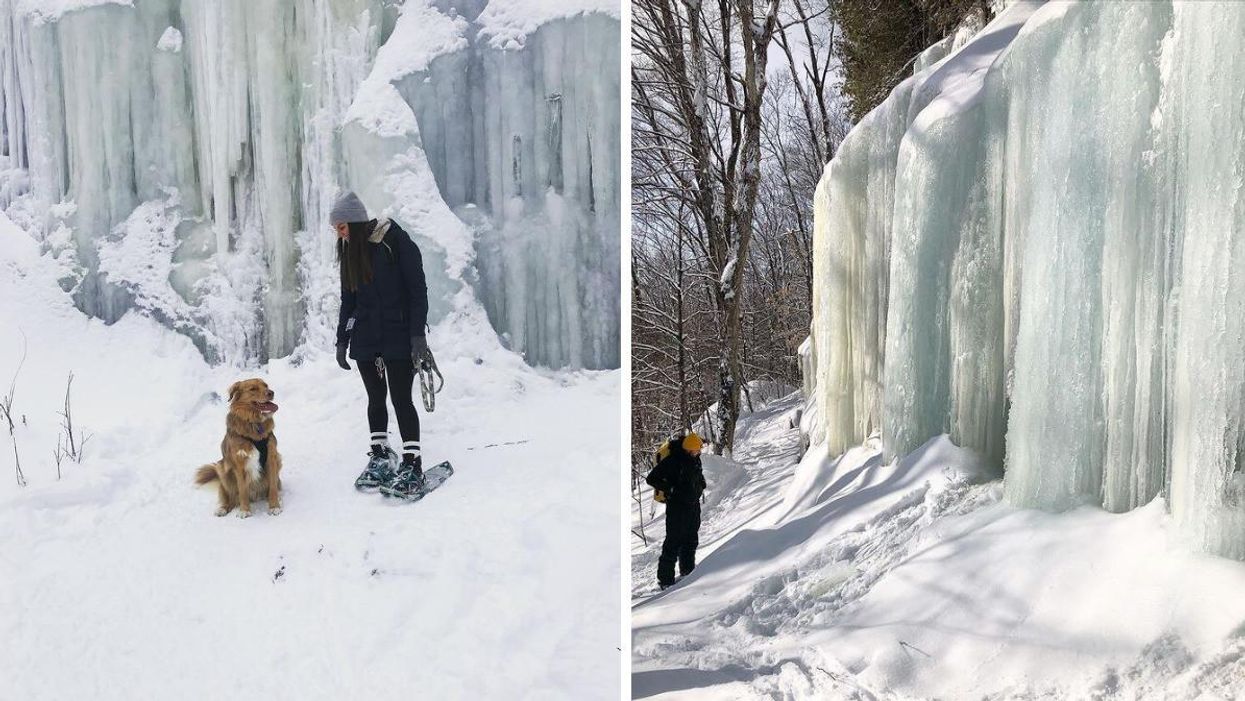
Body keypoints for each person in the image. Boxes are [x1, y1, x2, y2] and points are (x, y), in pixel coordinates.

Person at [332, 191, 431, 499]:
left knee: (402, 399)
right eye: (336, 228)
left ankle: (412, 463)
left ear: (358, 222)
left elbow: (418, 291)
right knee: (375, 398)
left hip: (399, 336)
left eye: (343, 226)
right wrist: (342, 338)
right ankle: (380, 454)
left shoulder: (396, 242)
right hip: (366, 339)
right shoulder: (350, 252)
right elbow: (349, 299)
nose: (339, 233)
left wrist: (418, 336)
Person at [646, 432, 707, 590]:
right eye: (696, 450)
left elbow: (698, 477)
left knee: (691, 540)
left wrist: (701, 485)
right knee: (673, 542)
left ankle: (687, 572)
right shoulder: (673, 461)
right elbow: (652, 478)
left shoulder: (695, 459)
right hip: (677, 508)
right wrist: (671, 490)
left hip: (693, 506)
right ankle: (665, 580)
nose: (699, 452)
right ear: (688, 449)